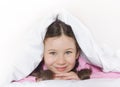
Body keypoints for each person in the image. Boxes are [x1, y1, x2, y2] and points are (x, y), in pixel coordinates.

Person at [16, 17, 120, 82]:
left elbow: (114, 74)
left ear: (77, 53)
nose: (61, 61)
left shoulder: (85, 66)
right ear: (42, 53)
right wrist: (39, 79)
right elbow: (14, 79)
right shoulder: (34, 69)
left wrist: (81, 78)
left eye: (68, 52)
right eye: (52, 53)